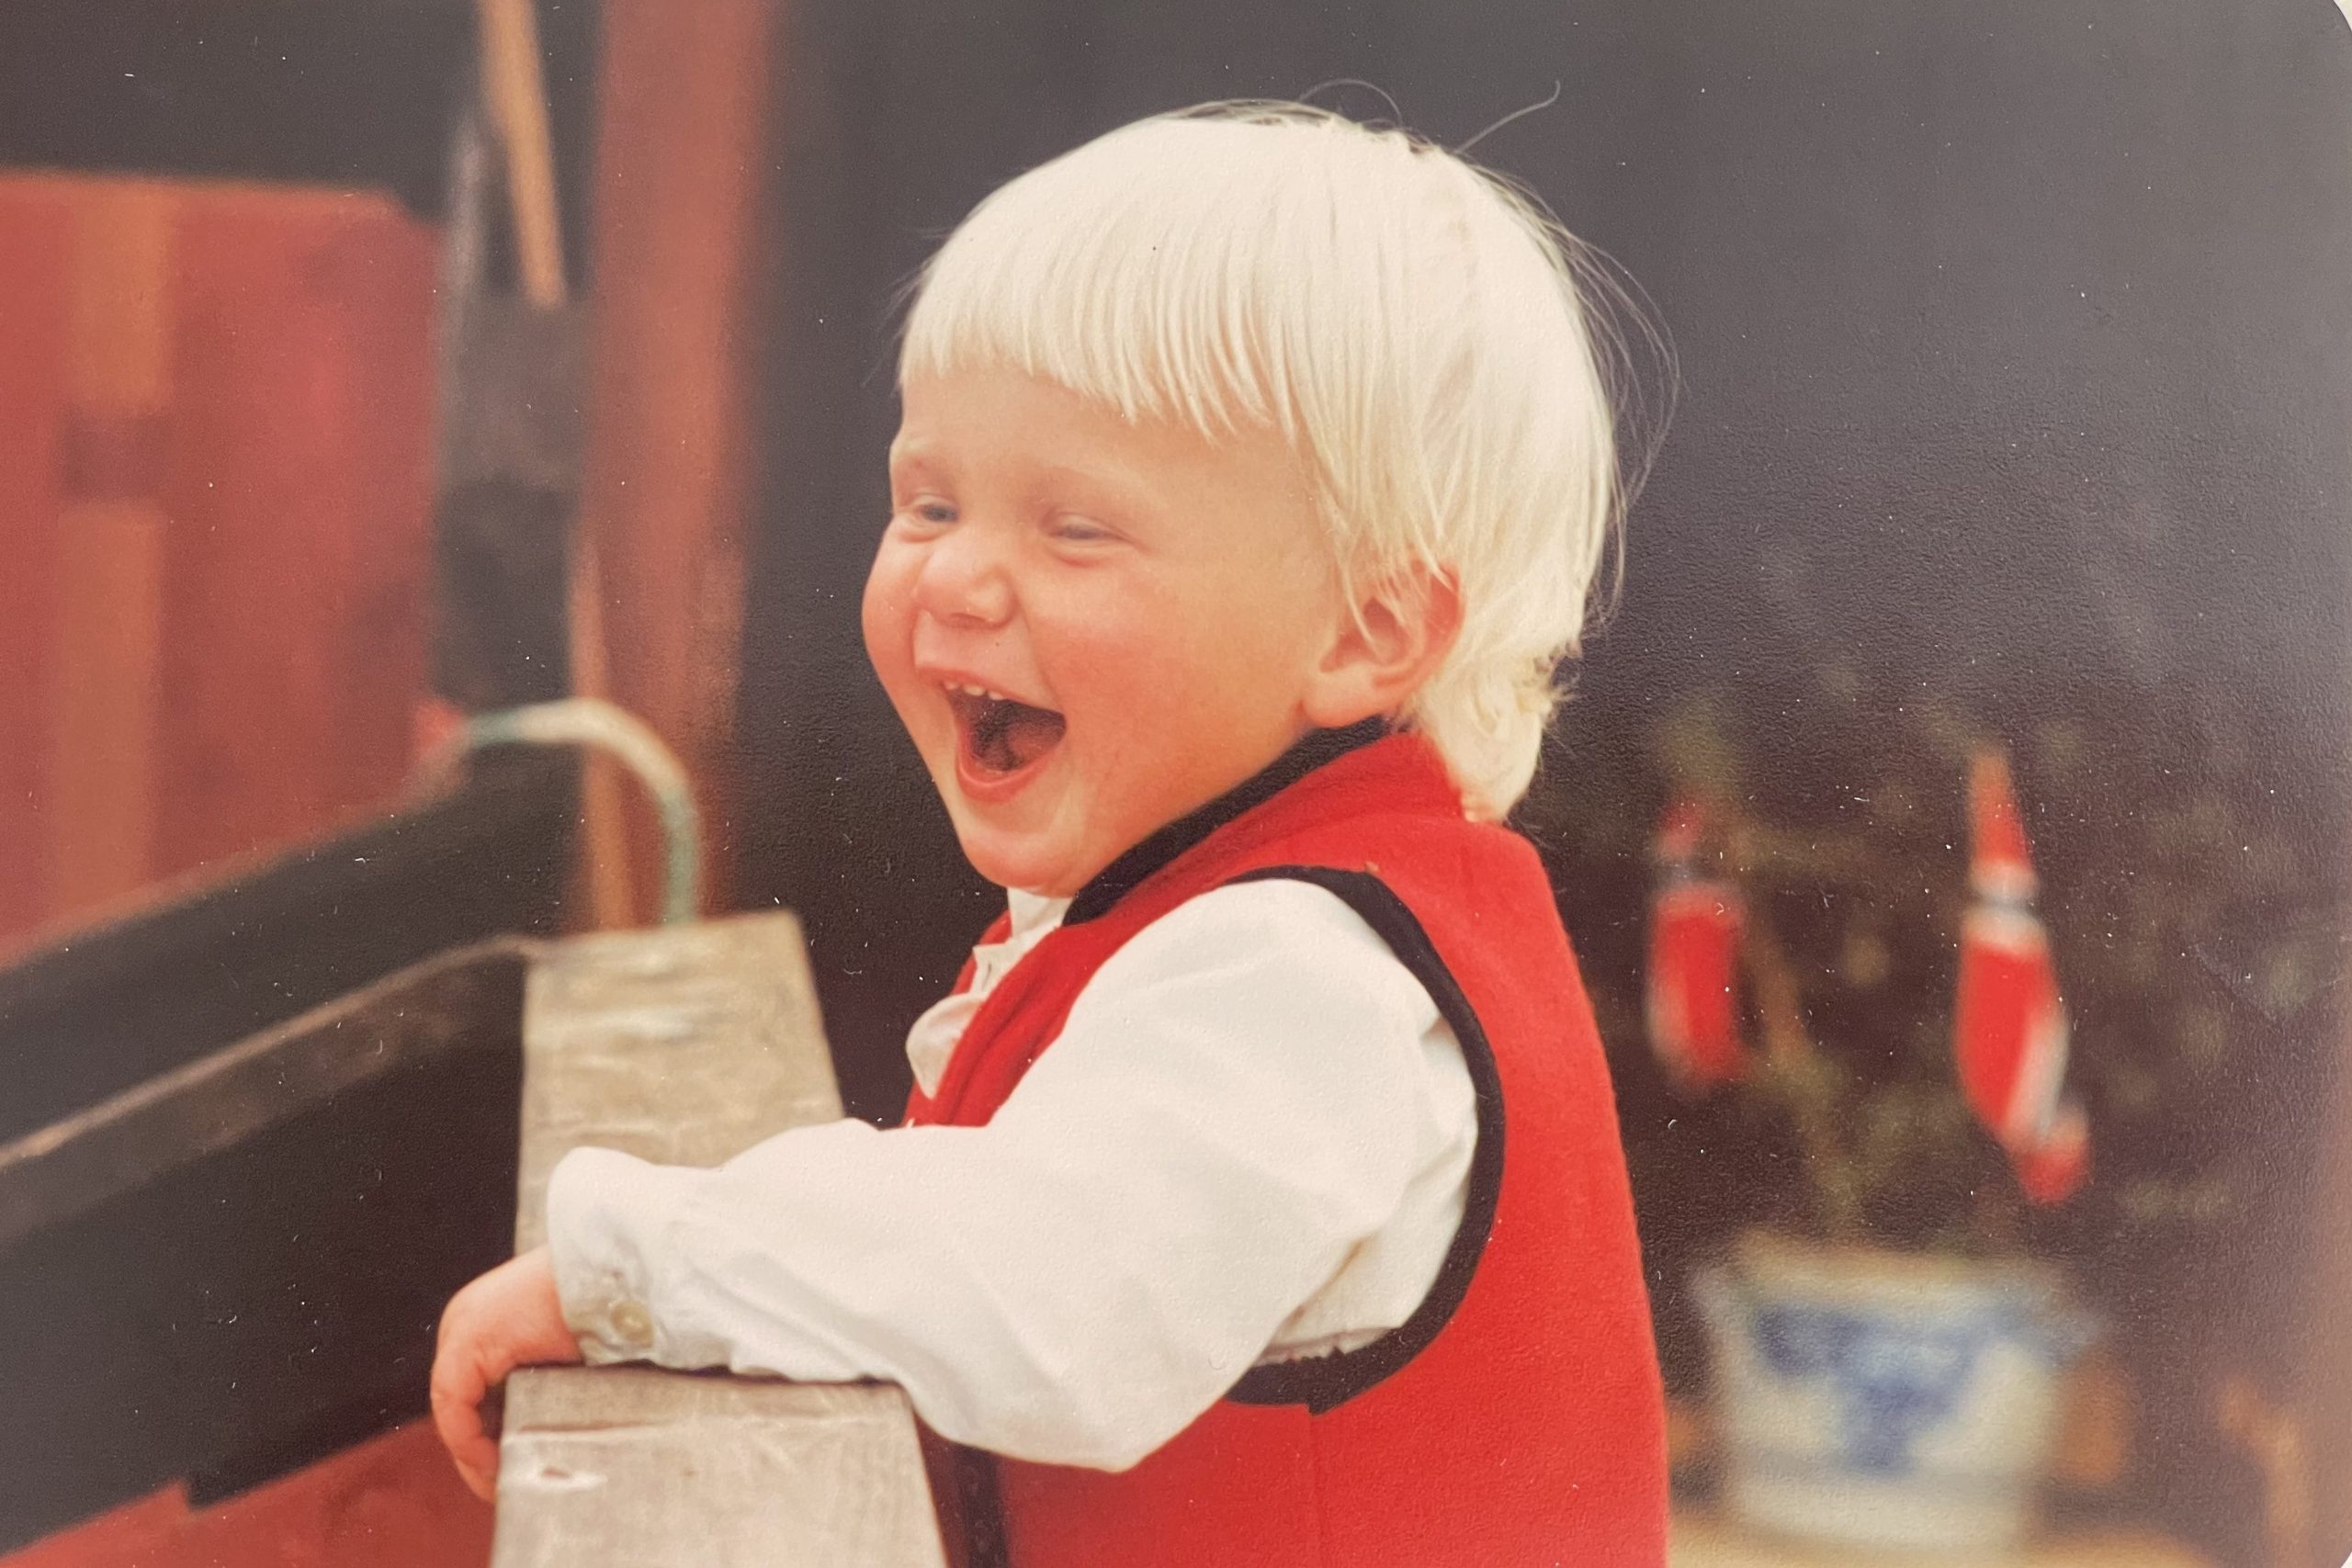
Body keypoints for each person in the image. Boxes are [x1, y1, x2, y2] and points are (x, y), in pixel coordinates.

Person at [433, 100, 1668, 1566]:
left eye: (1073, 528)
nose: (957, 575)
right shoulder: (1241, 905)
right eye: (930, 500)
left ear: (1365, 630)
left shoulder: (1307, 978)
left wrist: (636, 1267)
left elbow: (1050, 1291)